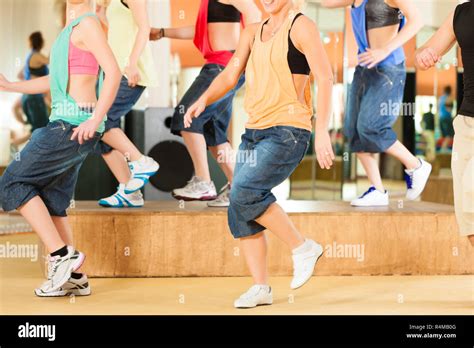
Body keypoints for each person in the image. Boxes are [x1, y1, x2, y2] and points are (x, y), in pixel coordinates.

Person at [185, 0, 334, 308]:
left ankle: (303, 247)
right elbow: (229, 75)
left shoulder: (301, 26)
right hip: (254, 131)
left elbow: (326, 77)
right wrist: (203, 100)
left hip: (289, 131)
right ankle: (261, 287)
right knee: (239, 207)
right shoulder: (251, 32)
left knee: (243, 191)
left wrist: (322, 132)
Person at [0, 0, 122, 296]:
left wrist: (96, 118)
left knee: (11, 183)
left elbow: (114, 72)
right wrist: (11, 87)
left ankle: (61, 256)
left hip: (70, 125)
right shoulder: (70, 30)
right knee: (54, 202)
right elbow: (52, 81)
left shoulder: (88, 24)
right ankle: (75, 276)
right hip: (73, 126)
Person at [150, 0, 261, 207]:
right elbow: (201, 30)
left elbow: (254, 14)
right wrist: (163, 32)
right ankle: (239, 188)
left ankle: (203, 182)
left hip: (222, 67)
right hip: (222, 66)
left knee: (188, 115)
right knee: (213, 132)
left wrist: (243, 57)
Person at [322, 0, 431, 207]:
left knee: (371, 127)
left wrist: (385, 49)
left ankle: (415, 165)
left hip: (388, 69)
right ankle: (378, 190)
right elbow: (326, 3)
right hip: (364, 69)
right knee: (353, 130)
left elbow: (417, 21)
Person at [415, 0, 474, 247]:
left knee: (472, 190)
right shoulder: (461, 13)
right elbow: (424, 51)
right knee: (468, 219)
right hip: (466, 123)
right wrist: (424, 54)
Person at [96, 0, 159, 208]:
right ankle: (129, 192)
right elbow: (116, 30)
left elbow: (144, 28)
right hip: (114, 71)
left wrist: (131, 63)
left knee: (101, 121)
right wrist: (102, 12)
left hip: (129, 72)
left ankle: (142, 162)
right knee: (101, 136)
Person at [439, 85, 455, 152]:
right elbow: (448, 109)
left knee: (446, 136)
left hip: (441, 118)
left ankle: (443, 149)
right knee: (449, 135)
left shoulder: (441, 98)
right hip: (446, 118)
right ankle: (443, 149)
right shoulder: (448, 98)